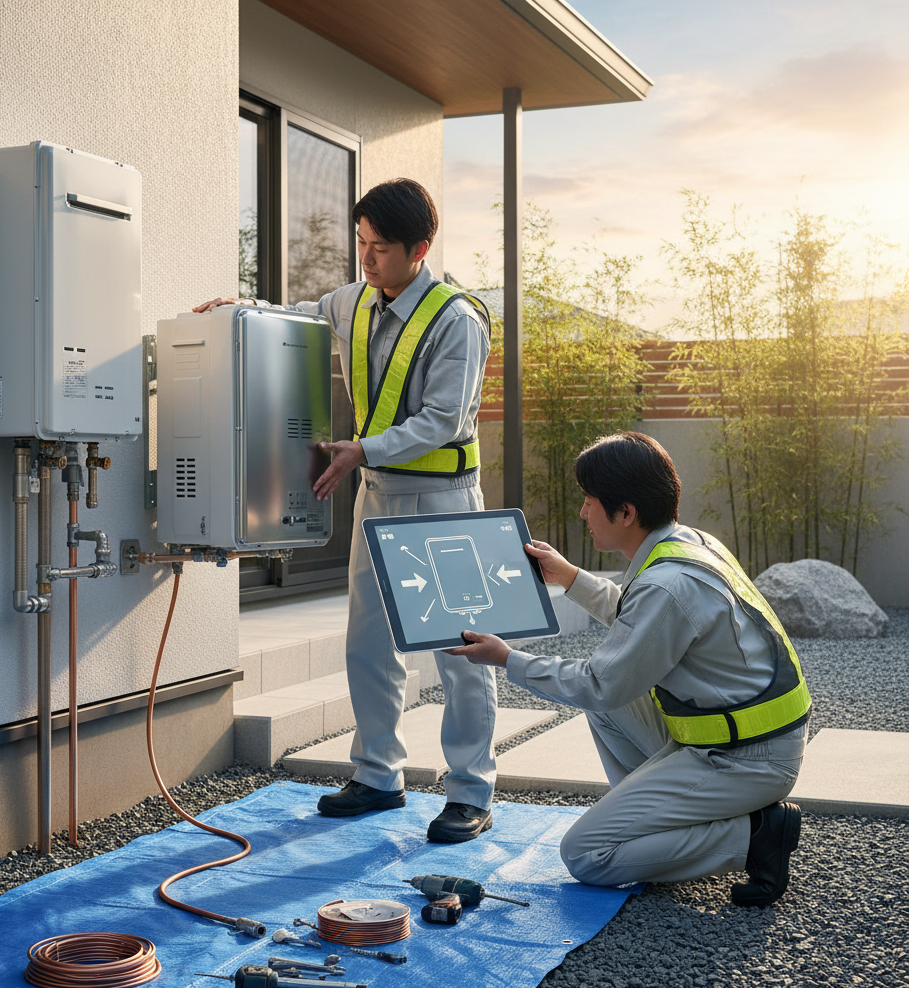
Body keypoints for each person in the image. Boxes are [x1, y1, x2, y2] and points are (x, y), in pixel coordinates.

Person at [194, 178, 498, 842]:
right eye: (360, 244)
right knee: (368, 642)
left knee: (460, 652)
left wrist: (362, 448)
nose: (366, 259)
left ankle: (472, 792)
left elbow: (444, 420)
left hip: (443, 501)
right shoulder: (354, 301)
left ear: (420, 249)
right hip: (377, 494)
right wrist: (242, 308)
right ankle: (377, 776)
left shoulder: (457, 320)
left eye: (380, 248)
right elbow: (301, 312)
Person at [448, 431, 810, 905]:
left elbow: (600, 683)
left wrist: (507, 659)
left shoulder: (667, 583)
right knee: (608, 708)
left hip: (744, 760)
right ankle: (665, 829)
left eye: (589, 501)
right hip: (729, 738)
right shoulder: (686, 545)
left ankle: (756, 834)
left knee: (587, 854)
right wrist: (569, 577)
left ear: (626, 513)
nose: (582, 513)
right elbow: (642, 620)